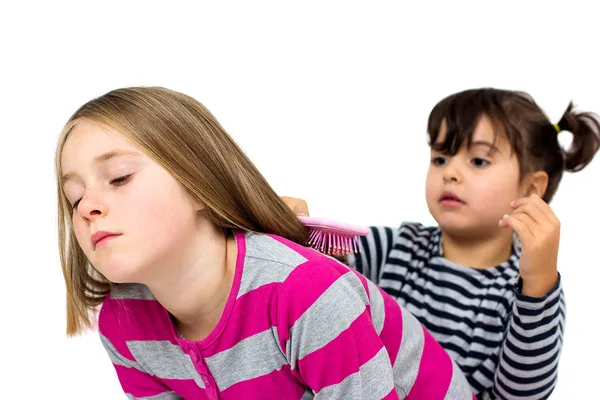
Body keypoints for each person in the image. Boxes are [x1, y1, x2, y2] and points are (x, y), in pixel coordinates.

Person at [55, 86, 475, 399]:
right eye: (74, 197)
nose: (88, 205)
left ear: (200, 182)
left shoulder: (306, 294)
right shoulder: (124, 322)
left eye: (120, 178)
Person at [283, 88, 600, 399]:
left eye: (477, 161)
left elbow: (521, 395)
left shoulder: (527, 294)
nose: (451, 173)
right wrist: (293, 228)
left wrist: (539, 284)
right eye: (440, 158)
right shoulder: (399, 247)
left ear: (531, 188)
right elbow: (326, 275)